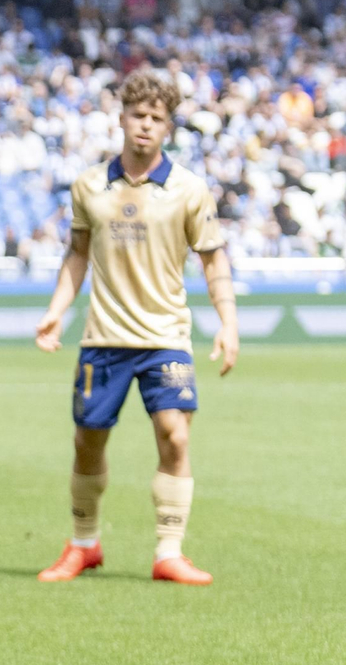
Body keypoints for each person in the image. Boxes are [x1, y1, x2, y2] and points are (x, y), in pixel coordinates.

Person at [34, 70, 238, 586]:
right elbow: (76, 256)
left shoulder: (190, 189)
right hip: (103, 338)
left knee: (174, 436)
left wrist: (228, 325)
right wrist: (58, 309)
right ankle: (84, 544)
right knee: (88, 441)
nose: (145, 125)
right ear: (121, 118)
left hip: (166, 338)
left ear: (168, 127)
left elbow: (214, 262)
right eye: (137, 115)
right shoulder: (89, 186)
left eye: (156, 118)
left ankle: (169, 551)